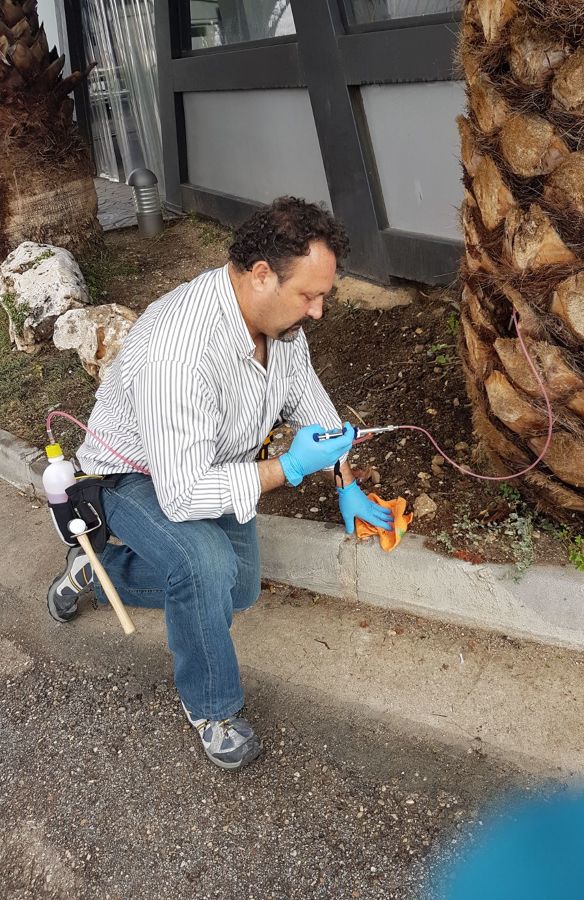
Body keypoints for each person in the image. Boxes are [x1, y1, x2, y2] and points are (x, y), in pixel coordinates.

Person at [46, 196, 393, 770]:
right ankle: (213, 709)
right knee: (204, 566)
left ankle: (97, 570)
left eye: (323, 296)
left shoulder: (277, 326)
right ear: (261, 275)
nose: (317, 312)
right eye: (309, 295)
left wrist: (343, 481)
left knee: (238, 590)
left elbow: (309, 402)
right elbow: (182, 494)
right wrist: (288, 468)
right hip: (132, 473)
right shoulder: (179, 351)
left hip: (215, 465)